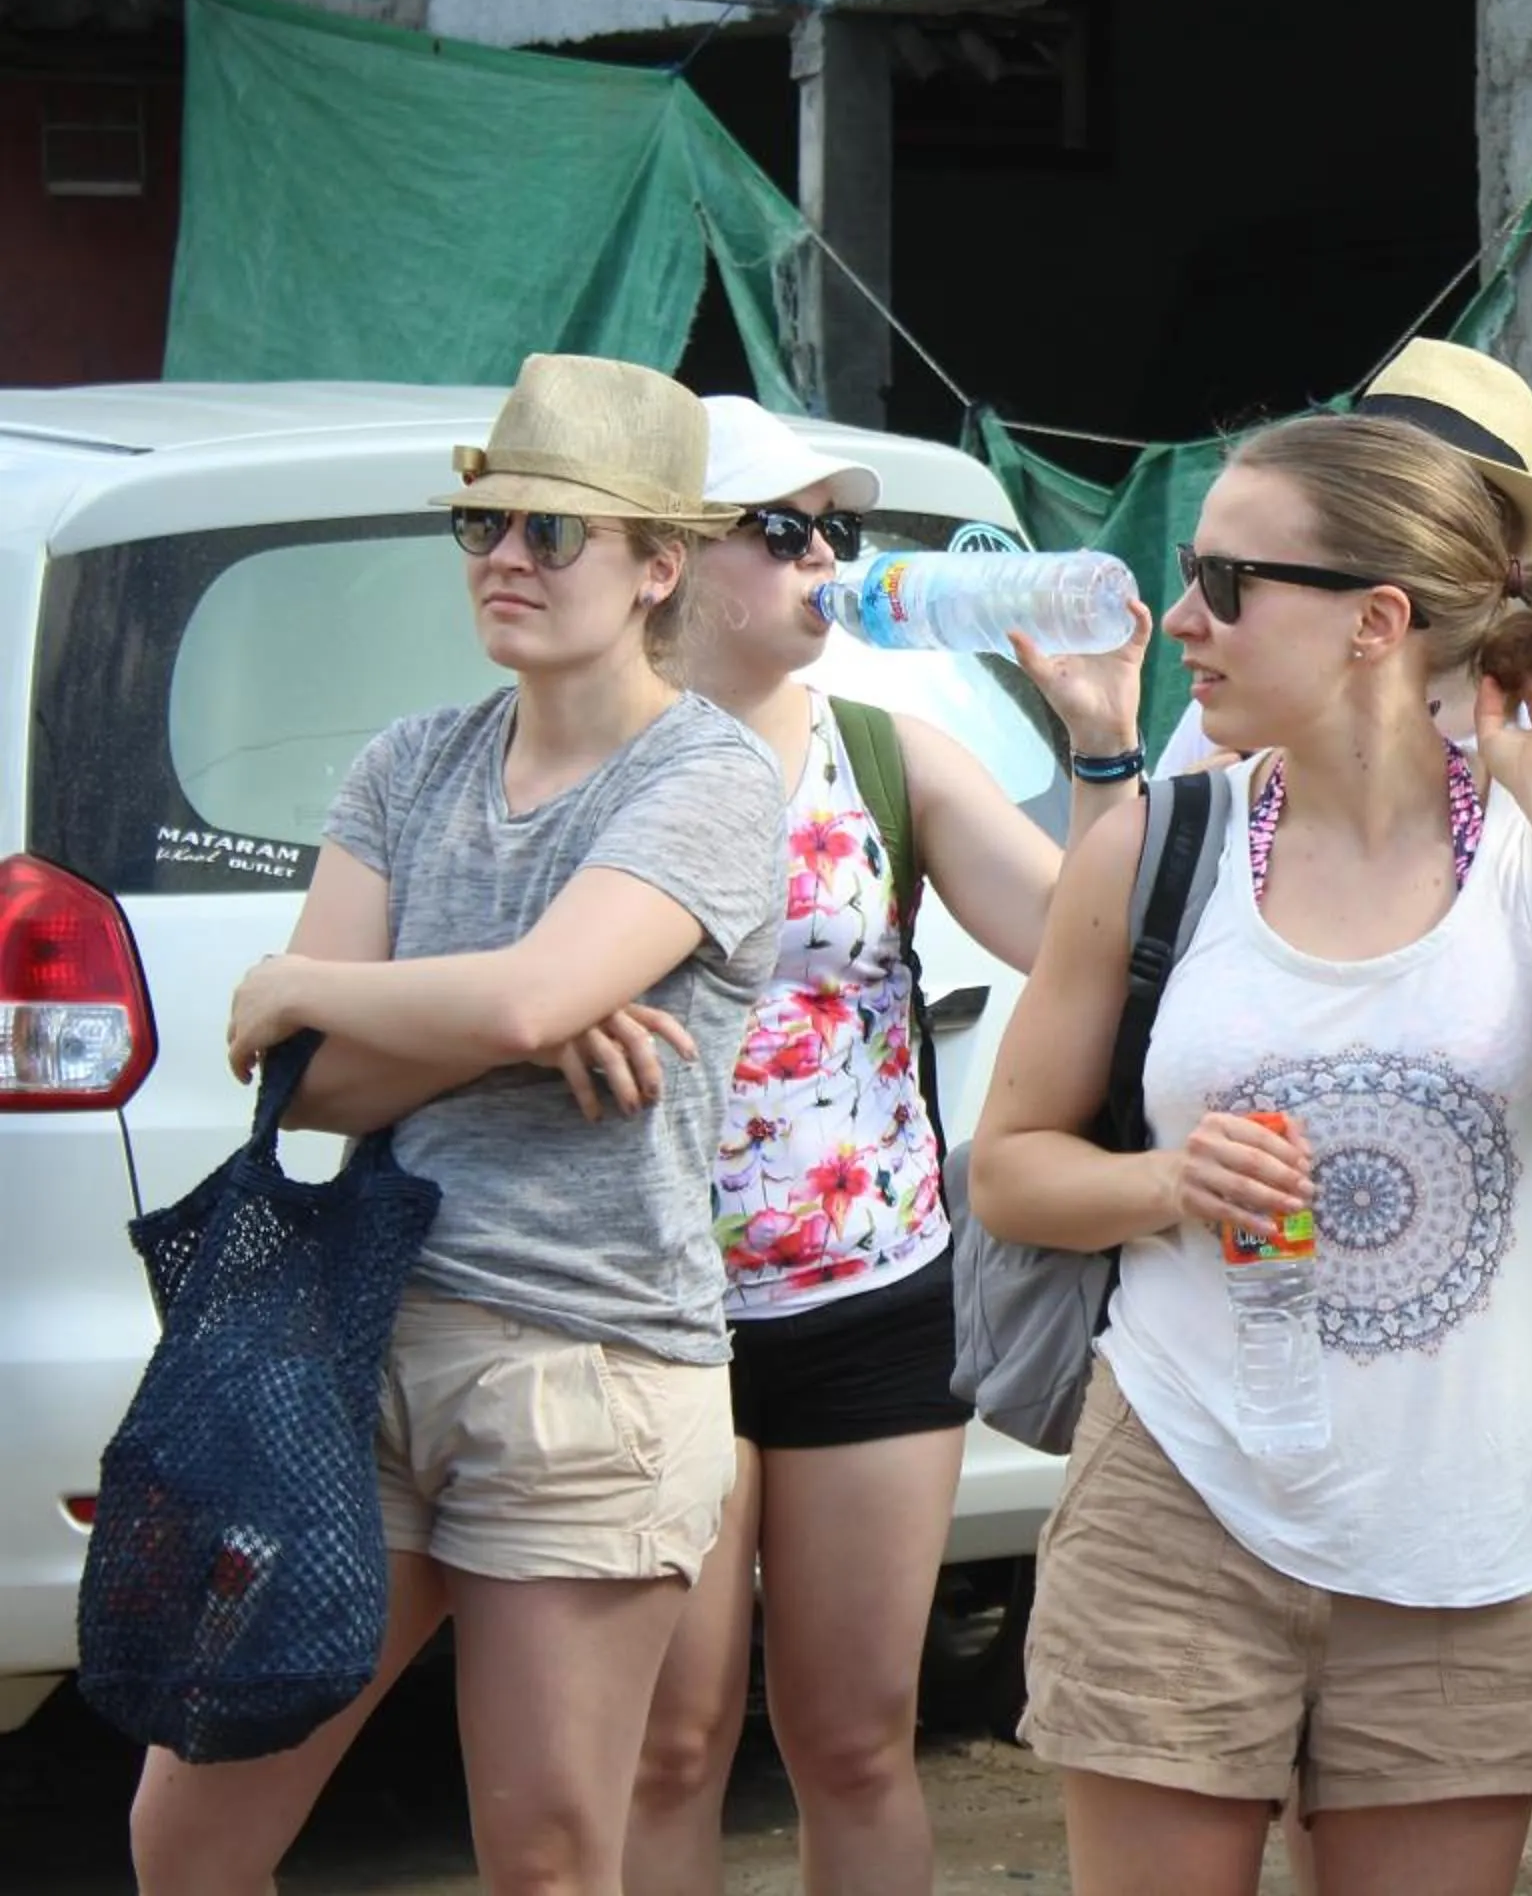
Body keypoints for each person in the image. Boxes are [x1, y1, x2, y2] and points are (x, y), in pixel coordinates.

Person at [970, 412, 1532, 1896]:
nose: (1183, 616)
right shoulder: (1153, 845)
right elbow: (1008, 1168)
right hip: (1181, 1488)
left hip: (1461, 1532)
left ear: (1376, 623)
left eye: (1226, 582)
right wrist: (1164, 1183)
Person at [128, 355, 786, 1896]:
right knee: (186, 1833)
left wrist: (335, 987)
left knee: (548, 1858)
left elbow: (488, 1008)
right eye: (482, 526)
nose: (502, 556)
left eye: (553, 530)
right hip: (358, 1340)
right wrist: (493, 1011)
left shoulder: (708, 775)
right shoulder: (407, 762)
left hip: (589, 1361)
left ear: (656, 568)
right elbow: (321, 1087)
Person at [1157, 338, 1532, 1896]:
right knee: (1245, 1726)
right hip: (1265, 1302)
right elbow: (1135, 933)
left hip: (1514, 1272)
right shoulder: (1246, 703)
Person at [624, 398, 1151, 1896]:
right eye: (780, 530)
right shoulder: (612, 760)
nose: (822, 560)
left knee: (856, 1739)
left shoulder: (887, 752)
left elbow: (1075, 939)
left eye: (838, 532)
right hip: (647, 1309)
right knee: (670, 1741)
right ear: (671, 563)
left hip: (872, 1292)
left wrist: (1101, 741)